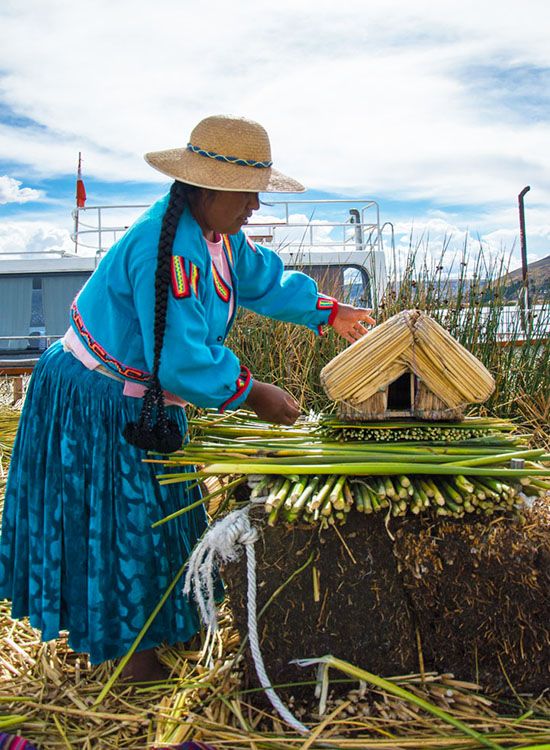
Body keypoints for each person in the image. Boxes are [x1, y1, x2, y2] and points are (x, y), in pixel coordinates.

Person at [0, 114, 375, 681]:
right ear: (207, 187)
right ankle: (131, 656)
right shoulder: (168, 250)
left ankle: (159, 628)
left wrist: (329, 311)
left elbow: (264, 282)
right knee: (125, 524)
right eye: (247, 194)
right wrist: (253, 395)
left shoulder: (218, 235)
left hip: (139, 400)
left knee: (159, 516)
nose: (255, 205)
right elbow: (181, 359)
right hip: (99, 400)